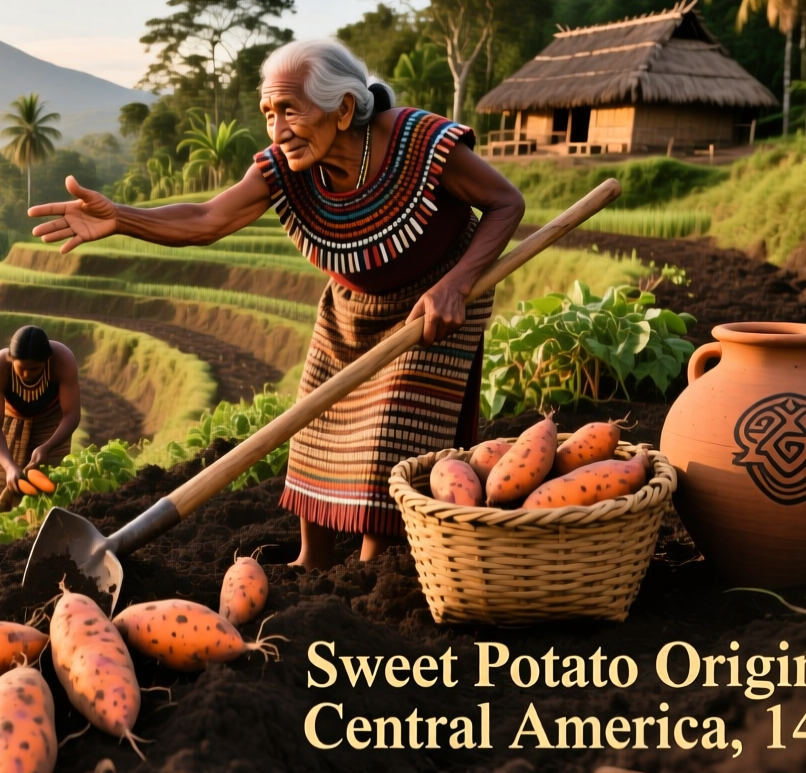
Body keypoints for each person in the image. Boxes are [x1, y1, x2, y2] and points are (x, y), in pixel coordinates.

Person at [30, 39, 525, 570]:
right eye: (269, 113)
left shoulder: (418, 141)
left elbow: (505, 202)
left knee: (392, 432)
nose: (278, 129)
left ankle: (371, 571)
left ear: (343, 109)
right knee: (314, 425)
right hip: (351, 307)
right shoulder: (285, 168)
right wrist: (122, 218)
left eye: (290, 110)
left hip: (435, 301)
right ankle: (312, 561)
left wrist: (457, 283)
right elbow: (207, 219)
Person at [0, 325, 81, 511]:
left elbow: (72, 414)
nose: (27, 374)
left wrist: (47, 447)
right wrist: (9, 466)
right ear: (10, 359)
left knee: (49, 496)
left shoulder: (63, 361)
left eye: (34, 369)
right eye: (21, 368)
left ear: (47, 360)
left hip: (52, 424)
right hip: (11, 426)